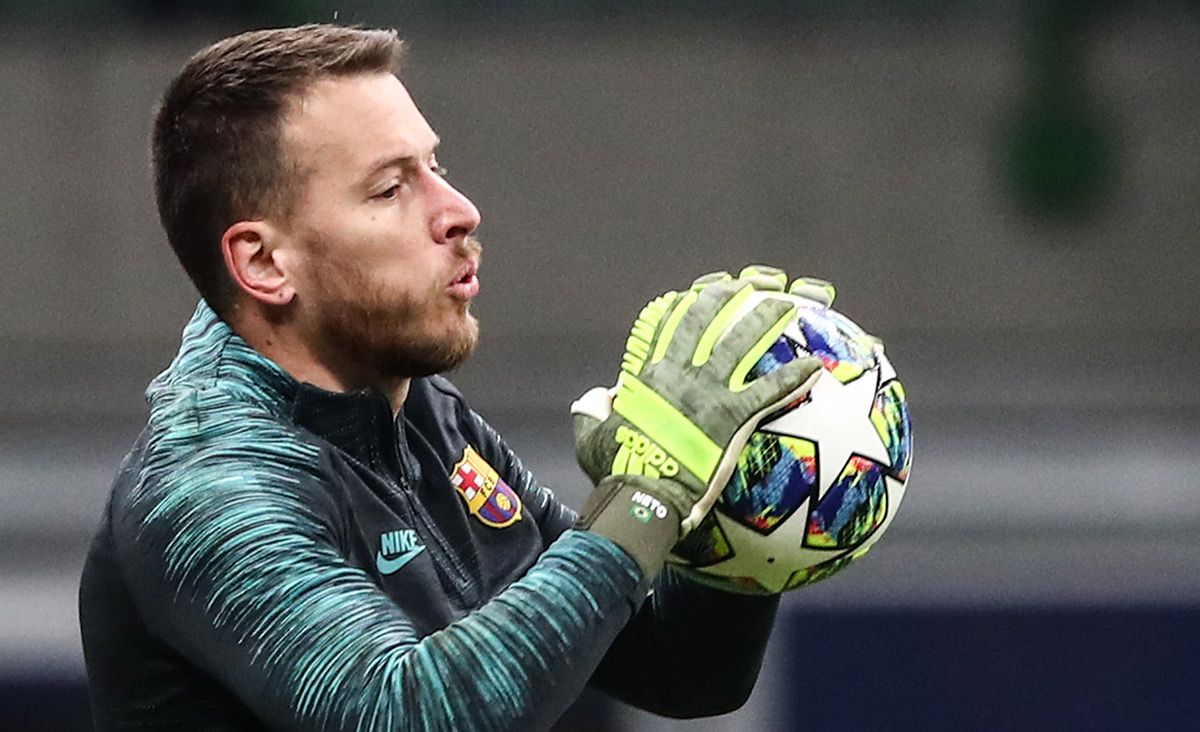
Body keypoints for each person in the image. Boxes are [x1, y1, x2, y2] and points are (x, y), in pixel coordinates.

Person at [77, 24, 822, 731]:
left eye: (435, 167)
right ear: (264, 264)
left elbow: (678, 669)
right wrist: (649, 498)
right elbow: (411, 714)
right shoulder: (212, 482)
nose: (460, 211)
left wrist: (745, 497)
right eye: (390, 188)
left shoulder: (410, 406)